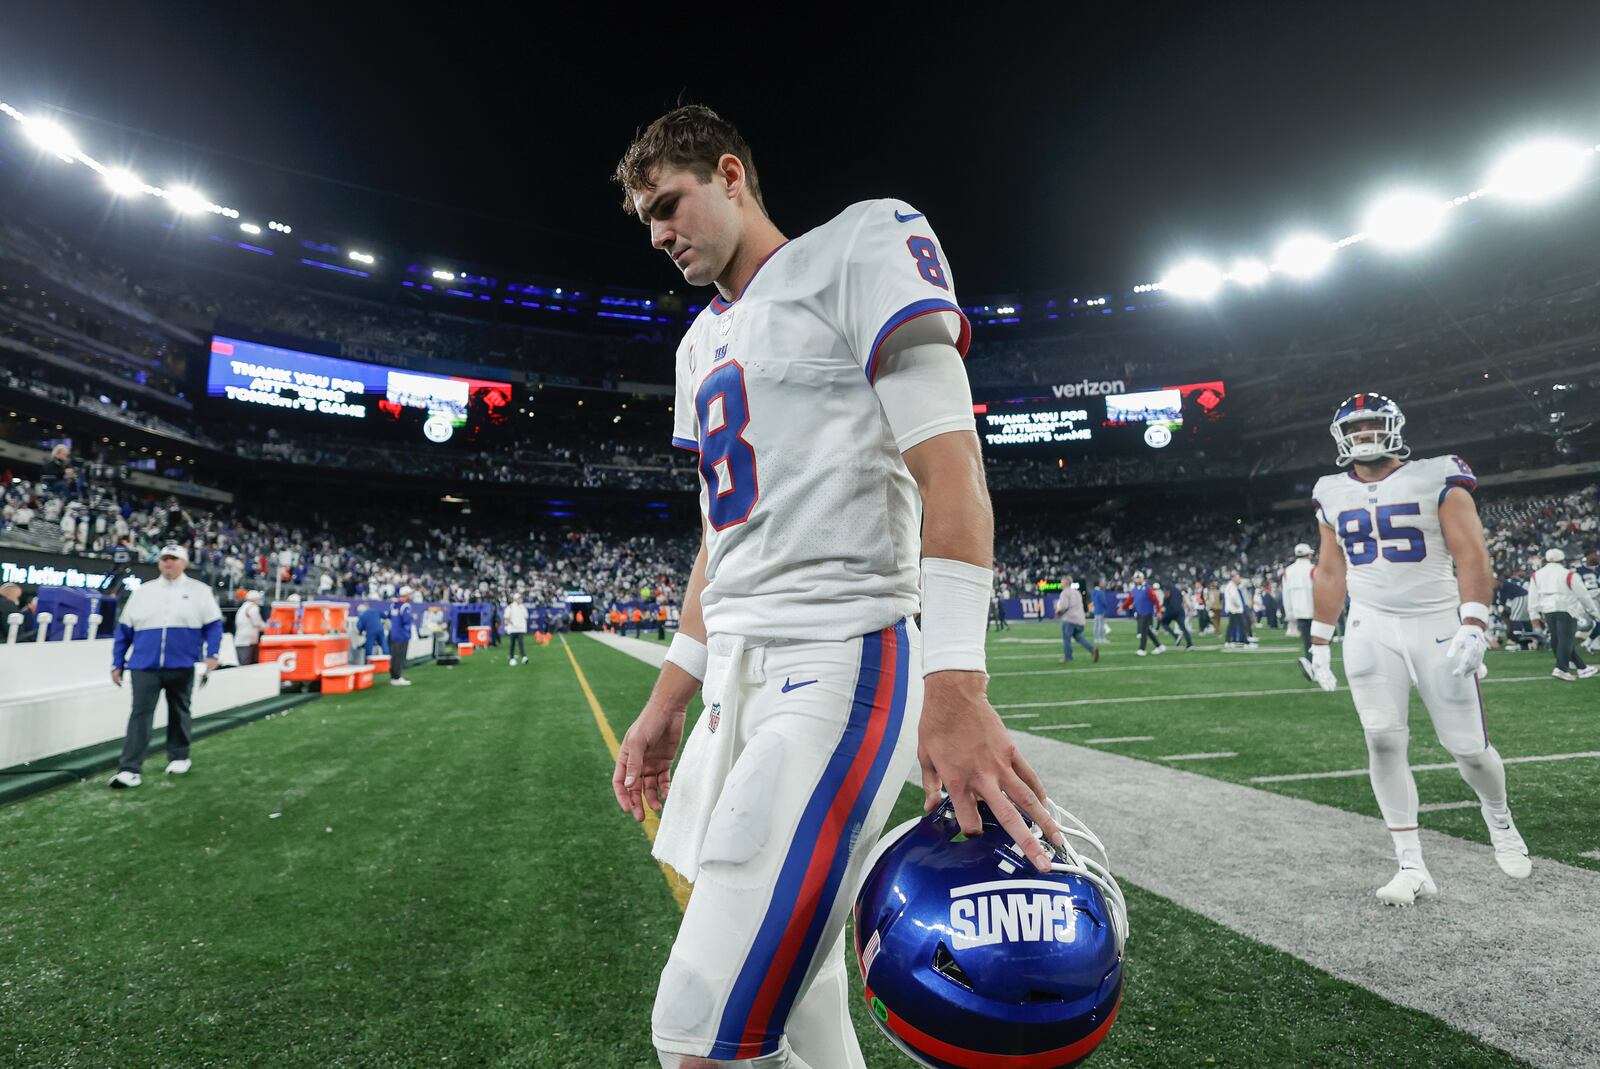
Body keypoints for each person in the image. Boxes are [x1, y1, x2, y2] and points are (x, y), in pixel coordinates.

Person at [610, 104, 1068, 1069]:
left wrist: (958, 681)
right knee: (805, 998)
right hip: (739, 673)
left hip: (841, 657)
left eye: (670, 204)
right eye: (646, 220)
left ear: (731, 175)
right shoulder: (698, 346)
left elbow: (954, 472)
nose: (659, 235)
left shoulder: (859, 245)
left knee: (699, 1031)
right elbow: (719, 546)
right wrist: (665, 701)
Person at [1308, 393, 1529, 907]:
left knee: (1468, 748)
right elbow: (1332, 568)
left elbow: (1470, 549)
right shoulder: (1329, 491)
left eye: (1372, 425)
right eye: (1355, 428)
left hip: (1436, 622)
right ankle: (1410, 863)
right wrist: (1320, 639)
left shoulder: (1438, 474)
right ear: (1342, 436)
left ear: (1393, 428)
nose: (1364, 434)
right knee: (1382, 740)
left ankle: (1498, 818)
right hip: (1370, 625)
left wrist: (1474, 621)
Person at [107, 545, 222, 788]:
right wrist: (118, 662)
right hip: (144, 664)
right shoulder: (143, 592)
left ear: (184, 563)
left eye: (174, 558)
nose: (168, 563)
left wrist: (213, 653)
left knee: (180, 709)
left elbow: (213, 625)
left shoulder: (200, 591)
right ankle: (129, 768)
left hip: (181, 662)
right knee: (140, 714)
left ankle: (179, 755)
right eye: (164, 559)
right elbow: (124, 630)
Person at [1528, 548, 1600, 680]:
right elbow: (1583, 595)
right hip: (1567, 608)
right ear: (1562, 560)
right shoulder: (1568, 574)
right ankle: (1561, 668)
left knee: (1559, 640)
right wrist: (1593, 611)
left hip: (1547, 609)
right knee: (1566, 640)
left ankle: (1582, 668)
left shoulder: (1536, 574)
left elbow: (1532, 596)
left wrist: (1533, 614)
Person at [1283, 542, 1317, 675]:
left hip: (1298, 611)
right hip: (1315, 610)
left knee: (1307, 641)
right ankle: (1315, 666)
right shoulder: (1313, 569)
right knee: (1320, 641)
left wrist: (1289, 613)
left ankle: (1310, 663)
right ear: (1309, 555)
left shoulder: (1288, 571)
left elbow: (1286, 594)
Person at [1055, 577, 1097, 663]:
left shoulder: (1065, 593)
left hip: (1070, 619)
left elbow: (1064, 606)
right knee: (1078, 637)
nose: (1061, 584)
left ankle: (1068, 657)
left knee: (1066, 638)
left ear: (1066, 583)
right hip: (1080, 619)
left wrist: (1058, 612)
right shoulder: (1077, 592)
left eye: (1062, 582)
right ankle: (1092, 650)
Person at [1124, 571, 1165, 656]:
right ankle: (1159, 646)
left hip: (1147, 613)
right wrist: (1122, 607)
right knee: (1148, 631)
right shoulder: (1135, 589)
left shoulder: (1148, 588)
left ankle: (1142, 649)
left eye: (1138, 578)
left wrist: (1158, 611)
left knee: (1143, 631)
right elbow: (1129, 600)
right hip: (1140, 613)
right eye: (1136, 578)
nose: (1136, 579)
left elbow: (1156, 601)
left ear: (1142, 578)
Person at [387, 588, 415, 686]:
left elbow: (389, 616)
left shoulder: (393, 605)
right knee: (400, 657)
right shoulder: (405, 606)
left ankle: (394, 677)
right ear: (406, 595)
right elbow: (406, 620)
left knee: (394, 656)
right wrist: (412, 617)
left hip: (393, 634)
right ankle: (397, 677)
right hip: (402, 635)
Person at [1157, 580, 1194, 649]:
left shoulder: (1167, 588)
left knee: (1163, 623)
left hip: (1170, 610)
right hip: (1180, 610)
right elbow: (1183, 599)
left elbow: (1167, 595)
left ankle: (1175, 636)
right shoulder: (1178, 590)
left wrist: (1163, 606)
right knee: (1183, 627)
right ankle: (1190, 644)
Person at [234, 590, 265, 666]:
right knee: (248, 666)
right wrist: (266, 627)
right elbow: (257, 623)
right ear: (255, 599)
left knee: (242, 665)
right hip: (248, 641)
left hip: (239, 640)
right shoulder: (253, 607)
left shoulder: (243, 607)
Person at [1222, 571, 1247, 648]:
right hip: (1235, 610)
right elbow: (1233, 597)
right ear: (1233, 578)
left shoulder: (1231, 585)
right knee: (1240, 625)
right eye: (1237, 578)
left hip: (1234, 609)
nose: (1239, 580)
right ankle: (1244, 641)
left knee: (1233, 625)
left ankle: (1229, 641)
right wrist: (1237, 606)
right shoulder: (1231, 586)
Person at [505, 597, 529, 666]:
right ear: (515, 599)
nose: (520, 600)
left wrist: (523, 625)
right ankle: (512, 658)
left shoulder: (523, 607)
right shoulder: (510, 607)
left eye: (521, 598)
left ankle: (524, 657)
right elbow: (506, 617)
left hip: (520, 629)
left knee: (521, 643)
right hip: (513, 629)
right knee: (512, 644)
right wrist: (511, 623)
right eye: (519, 599)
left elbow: (526, 617)